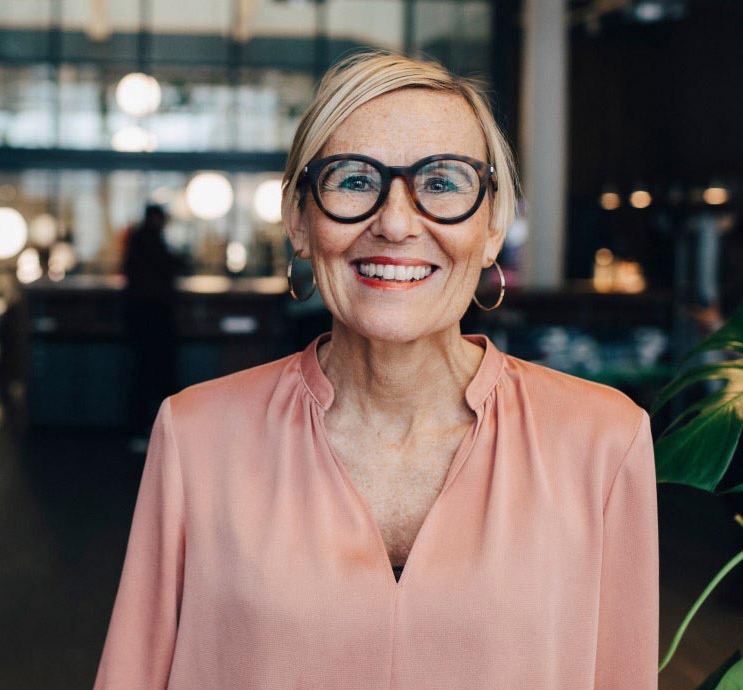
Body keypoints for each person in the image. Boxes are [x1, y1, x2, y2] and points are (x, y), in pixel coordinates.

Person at [95, 51, 658, 689]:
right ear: (298, 221)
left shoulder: (603, 440)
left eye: (443, 183)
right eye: (353, 180)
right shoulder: (197, 435)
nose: (393, 223)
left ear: (493, 225)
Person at [121, 203, 182, 447]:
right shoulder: (152, 242)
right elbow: (168, 269)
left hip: (141, 318)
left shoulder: (138, 240)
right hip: (154, 318)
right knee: (156, 375)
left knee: (143, 375)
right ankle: (154, 431)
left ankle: (143, 430)